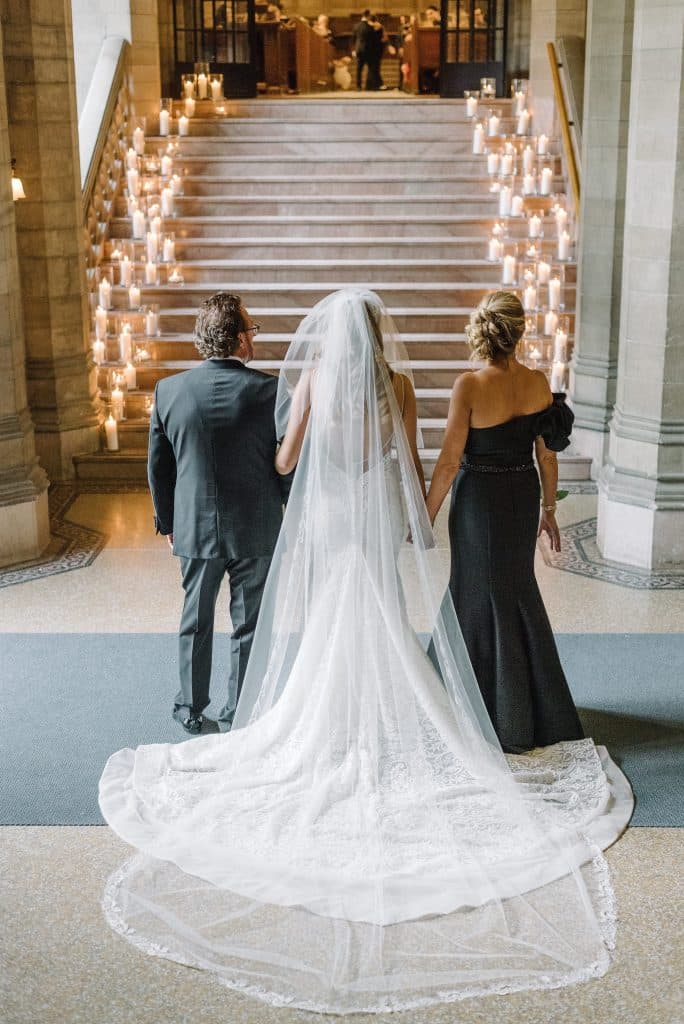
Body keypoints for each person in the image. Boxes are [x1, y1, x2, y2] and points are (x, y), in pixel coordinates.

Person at [101, 288, 631, 1014]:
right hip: (377, 507)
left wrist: (294, 459)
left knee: (328, 617)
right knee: (380, 610)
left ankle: (330, 720)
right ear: (379, 332)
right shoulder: (403, 384)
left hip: (331, 511)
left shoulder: (315, 378)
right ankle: (389, 717)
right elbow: (413, 462)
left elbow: (288, 462)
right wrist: (420, 518)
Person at [426, 291, 585, 752]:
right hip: (519, 497)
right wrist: (549, 511)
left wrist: (425, 515)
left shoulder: (469, 386)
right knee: (515, 589)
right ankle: (527, 708)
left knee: (474, 591)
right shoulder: (538, 383)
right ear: (518, 332)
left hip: (478, 502)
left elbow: (448, 464)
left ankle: (472, 706)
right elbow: (547, 458)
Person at [147, 292, 289, 735]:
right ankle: (239, 712)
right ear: (240, 339)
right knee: (248, 623)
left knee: (196, 617)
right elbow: (285, 459)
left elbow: (158, 465)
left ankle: (190, 707)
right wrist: (287, 503)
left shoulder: (169, 391)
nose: (255, 338)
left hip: (195, 525)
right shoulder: (270, 390)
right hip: (256, 525)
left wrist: (168, 522)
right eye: (253, 330)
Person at [353, 9, 374, 89]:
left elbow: (353, 39)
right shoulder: (369, 27)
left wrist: (354, 49)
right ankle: (369, 86)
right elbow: (372, 40)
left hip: (359, 49)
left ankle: (358, 86)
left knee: (359, 69)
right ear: (368, 16)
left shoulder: (356, 26)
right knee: (370, 68)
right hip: (368, 49)